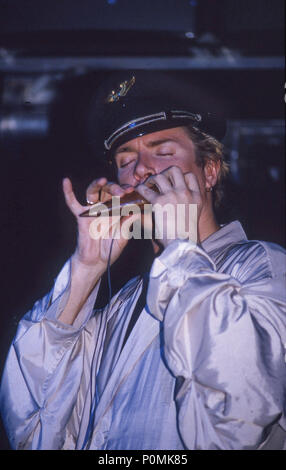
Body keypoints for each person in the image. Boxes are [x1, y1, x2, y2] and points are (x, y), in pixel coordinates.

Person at [0, 72, 285, 450]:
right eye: (126, 159)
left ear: (210, 171)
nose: (140, 169)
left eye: (163, 152)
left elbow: (236, 422)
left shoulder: (262, 264)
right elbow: (32, 429)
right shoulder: (123, 303)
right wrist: (86, 270)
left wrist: (179, 247)